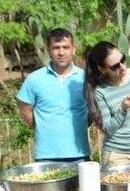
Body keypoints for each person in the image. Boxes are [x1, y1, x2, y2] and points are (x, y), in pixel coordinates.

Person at [17, 28, 90, 162]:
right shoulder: (34, 79)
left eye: (65, 47)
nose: (61, 52)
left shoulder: (85, 78)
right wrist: (44, 126)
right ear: (49, 50)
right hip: (46, 156)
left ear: (73, 49)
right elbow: (25, 111)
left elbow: (92, 112)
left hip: (79, 155)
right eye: (56, 48)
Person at [85, 41, 130, 168]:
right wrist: (123, 109)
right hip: (117, 156)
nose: (122, 67)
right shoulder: (101, 91)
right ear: (102, 69)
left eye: (123, 60)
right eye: (115, 66)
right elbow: (108, 129)